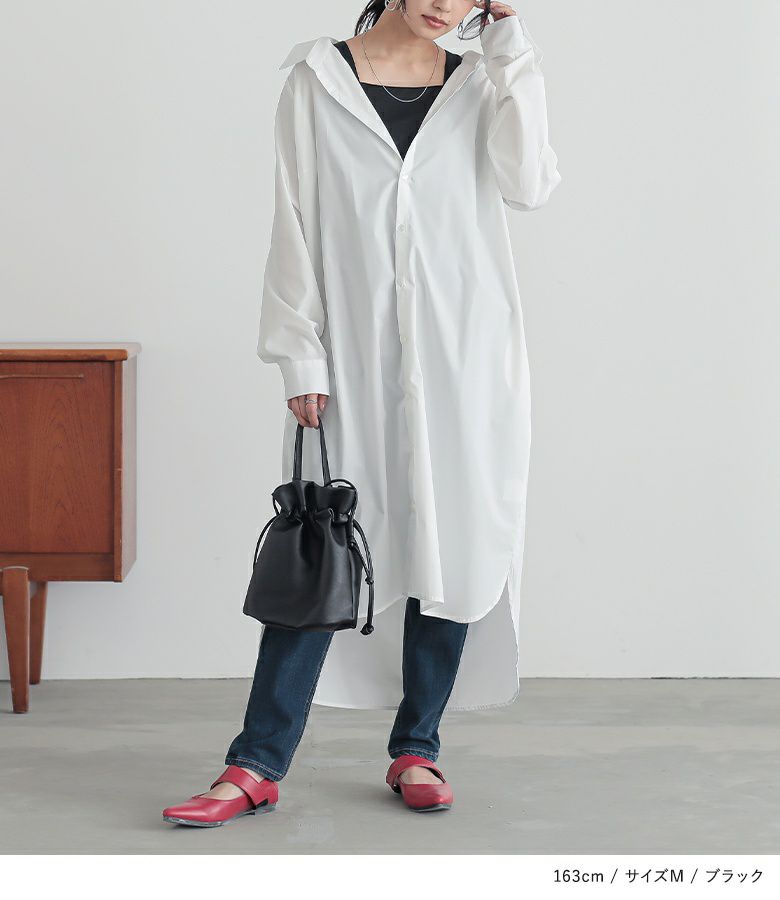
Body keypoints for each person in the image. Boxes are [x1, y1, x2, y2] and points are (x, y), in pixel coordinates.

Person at [163, 0, 561, 827]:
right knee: (322, 543)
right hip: (350, 359)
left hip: (466, 359)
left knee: (453, 547)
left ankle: (418, 746)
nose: (445, 4)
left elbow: (530, 186)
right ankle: (255, 764)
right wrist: (299, 355)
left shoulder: (484, 82)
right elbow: (293, 220)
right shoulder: (317, 80)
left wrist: (512, 50)